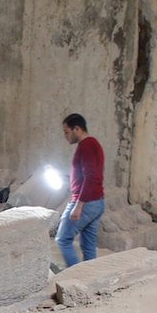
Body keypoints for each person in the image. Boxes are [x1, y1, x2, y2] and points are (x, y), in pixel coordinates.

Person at [55, 113, 105, 267]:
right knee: (88, 246)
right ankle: (90, 278)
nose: (65, 136)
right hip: (97, 201)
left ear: (77, 129)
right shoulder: (93, 143)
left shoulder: (86, 146)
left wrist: (78, 205)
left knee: (63, 240)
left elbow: (91, 177)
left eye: (66, 132)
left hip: (86, 203)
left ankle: (75, 278)